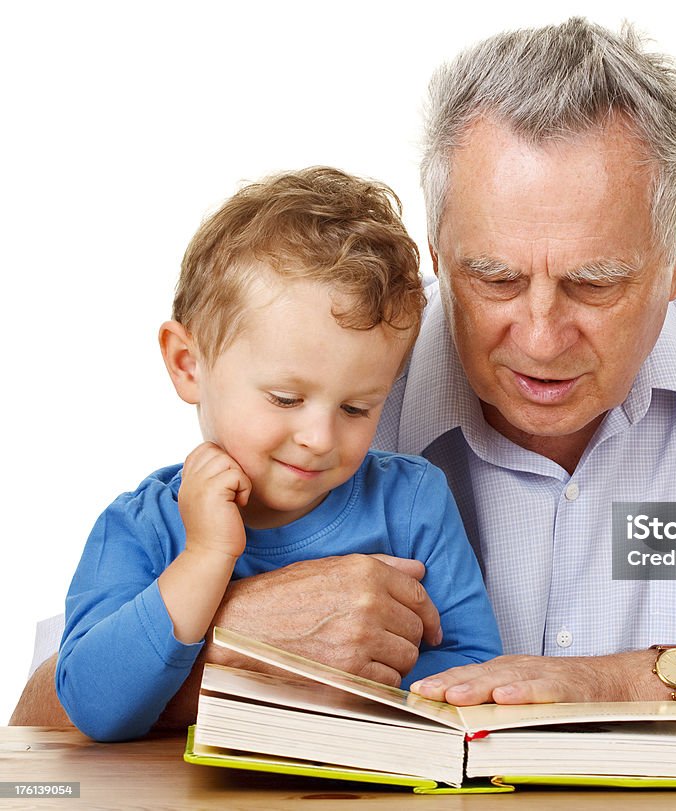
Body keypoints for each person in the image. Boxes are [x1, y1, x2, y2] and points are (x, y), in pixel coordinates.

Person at [14, 19, 676, 736]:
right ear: (438, 246)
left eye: (594, 279)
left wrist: (619, 683)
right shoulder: (344, 380)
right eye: (492, 275)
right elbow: (41, 705)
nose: (538, 335)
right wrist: (237, 650)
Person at [51, 168, 501, 741]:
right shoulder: (140, 528)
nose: (319, 436)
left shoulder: (413, 501)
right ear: (188, 364)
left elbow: (474, 671)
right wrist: (207, 554)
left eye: (358, 408)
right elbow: (94, 706)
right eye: (286, 398)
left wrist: (351, 693)